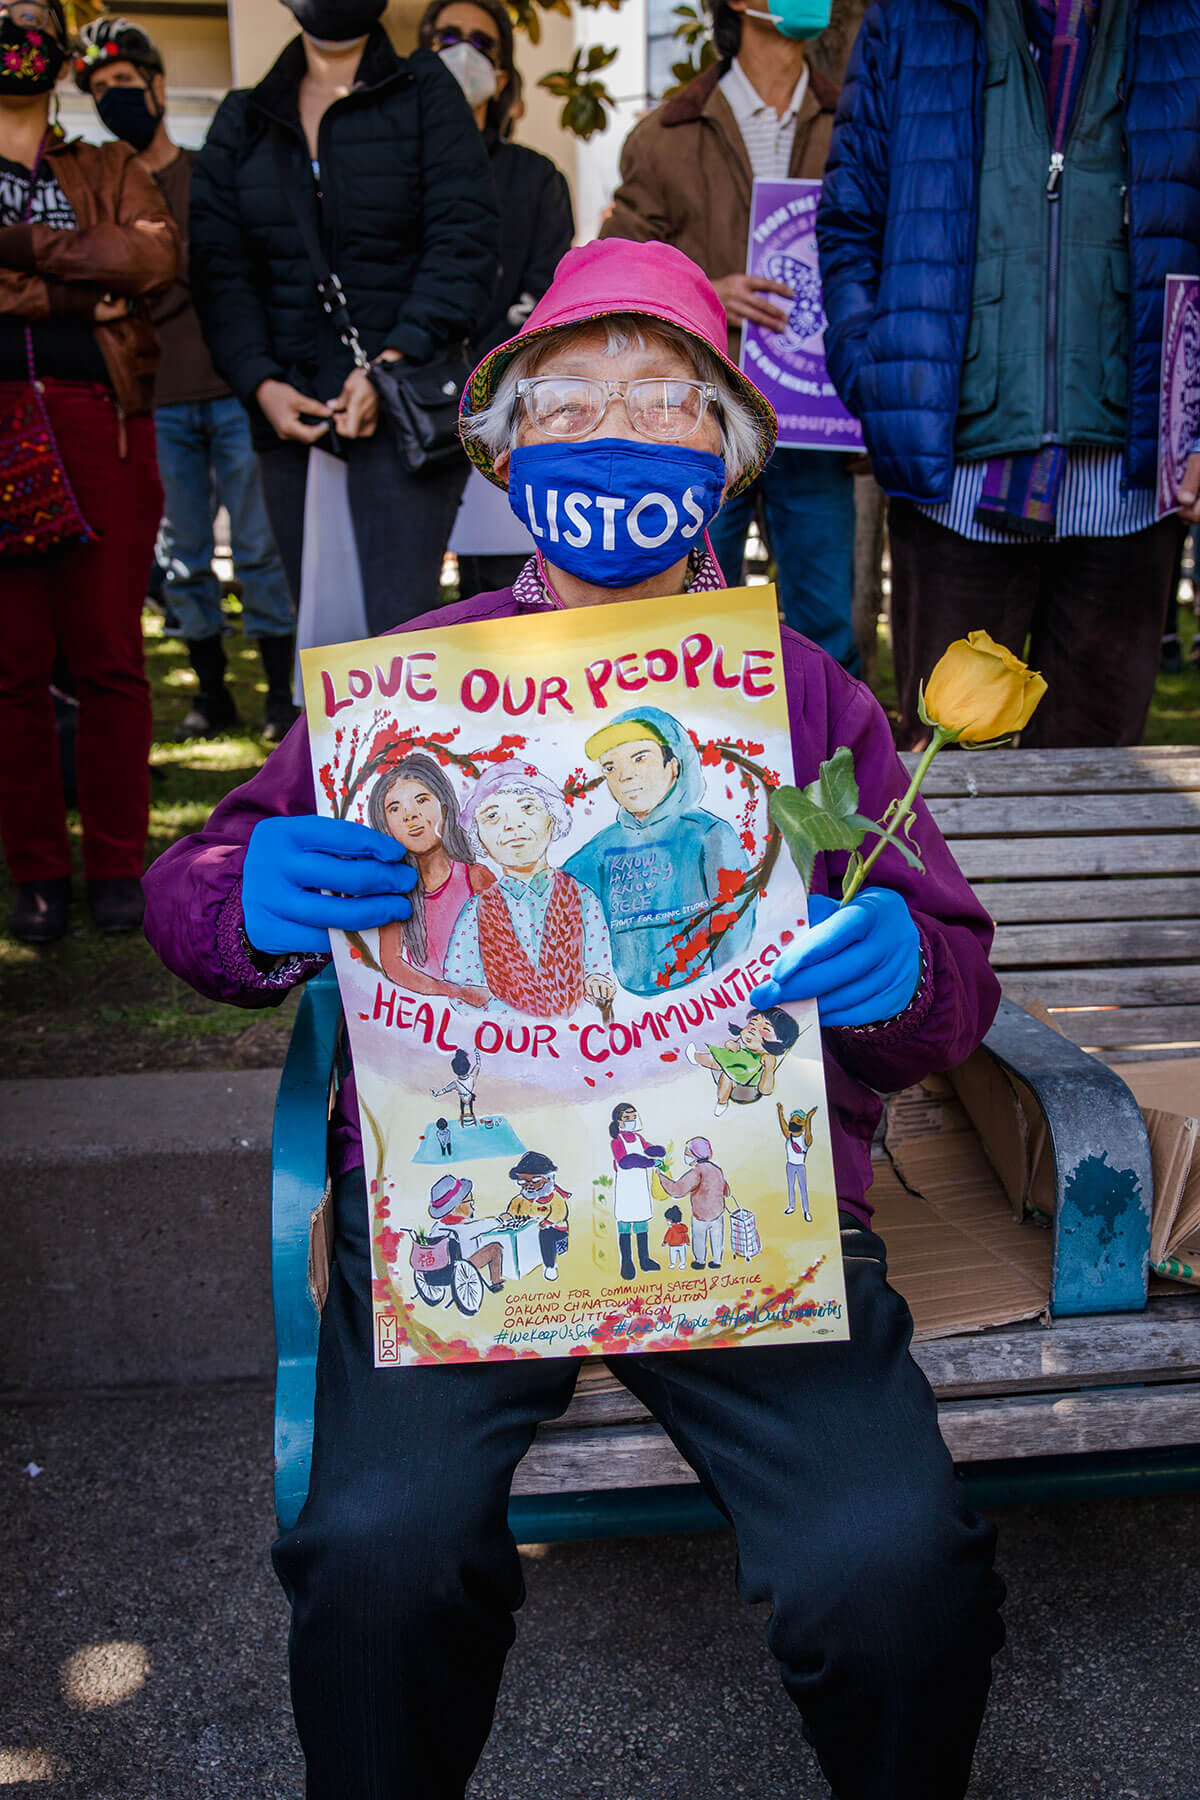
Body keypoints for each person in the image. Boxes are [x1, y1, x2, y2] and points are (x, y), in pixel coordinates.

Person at [144, 239, 1006, 1800]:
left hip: (751, 1211)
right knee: (377, 1557)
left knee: (893, 1569)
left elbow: (945, 981)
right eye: (574, 397)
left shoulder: (807, 695)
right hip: (457, 1220)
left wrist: (904, 974)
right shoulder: (402, 690)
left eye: (665, 400)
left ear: (730, 461)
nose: (617, 426)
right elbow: (195, 889)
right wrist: (244, 898)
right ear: (508, 451)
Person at [817, 0, 1200, 749]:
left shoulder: (1181, 19)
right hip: (954, 478)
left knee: (1096, 793)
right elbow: (851, 218)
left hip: (1129, 485)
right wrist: (878, 376)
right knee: (946, 785)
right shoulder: (912, 18)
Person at [188, 0, 499, 637]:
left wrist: (394, 362)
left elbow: (463, 240)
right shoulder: (243, 119)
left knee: (398, 635)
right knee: (322, 642)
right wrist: (261, 384)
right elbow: (220, 273)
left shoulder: (424, 91)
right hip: (289, 414)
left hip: (403, 409)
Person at [601, 0, 859, 670]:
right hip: (698, 423)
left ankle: (828, 769)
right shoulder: (667, 133)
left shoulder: (856, 120)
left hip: (816, 417)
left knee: (828, 625)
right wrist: (706, 294)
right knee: (690, 620)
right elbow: (615, 274)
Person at [0, 0, 178, 942]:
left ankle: (116, 865)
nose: (17, 28)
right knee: (12, 669)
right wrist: (82, 292)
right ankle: (35, 874)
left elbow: (151, 258)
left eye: (33, 15)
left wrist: (21, 253)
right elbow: (110, 273)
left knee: (111, 658)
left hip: (101, 426)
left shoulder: (105, 164)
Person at [73, 18, 299, 745]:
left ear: (159, 86)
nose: (115, 100)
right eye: (100, 91)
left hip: (232, 392)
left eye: (125, 85)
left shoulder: (211, 171)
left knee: (261, 550)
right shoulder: (100, 189)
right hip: (151, 397)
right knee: (184, 554)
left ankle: (276, 696)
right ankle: (210, 695)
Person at [418, 0, 575, 600]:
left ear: (504, 75)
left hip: (499, 412)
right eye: (448, 36)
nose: (463, 51)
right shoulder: (385, 176)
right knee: (398, 602)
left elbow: (544, 299)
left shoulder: (536, 181)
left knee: (503, 600)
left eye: (482, 42)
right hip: (395, 418)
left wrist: (480, 384)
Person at [564, 706, 753, 994]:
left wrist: (728, 1000)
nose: (625, 776)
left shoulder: (708, 834)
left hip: (700, 999)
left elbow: (734, 930)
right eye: (610, 767)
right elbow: (557, 910)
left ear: (674, 765)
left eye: (640, 758)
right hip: (623, 1009)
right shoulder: (598, 850)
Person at [444, 760, 616, 1018]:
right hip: (505, 1036)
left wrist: (597, 980)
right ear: (478, 837)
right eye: (492, 815)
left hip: (576, 1030)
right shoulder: (476, 911)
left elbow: (598, 963)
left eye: (528, 807)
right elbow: (462, 985)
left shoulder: (582, 898)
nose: (512, 826)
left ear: (553, 818)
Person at [368, 753, 494, 1006]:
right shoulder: (395, 893)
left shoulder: (476, 878)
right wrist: (454, 992)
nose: (410, 815)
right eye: (395, 808)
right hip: (428, 1019)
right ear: (385, 825)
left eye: (421, 800)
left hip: (490, 1014)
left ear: (444, 809)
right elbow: (392, 963)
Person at [607, 1100, 667, 1280]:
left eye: (633, 1117)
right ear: (619, 1121)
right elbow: (625, 1161)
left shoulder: (638, 1138)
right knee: (625, 1224)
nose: (632, 1120)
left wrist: (659, 1151)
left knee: (641, 1223)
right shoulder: (617, 1141)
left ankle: (644, 1259)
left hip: (640, 1187)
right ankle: (626, 1262)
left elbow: (648, 1148)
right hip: (626, 1188)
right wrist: (650, 1162)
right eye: (627, 1117)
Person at [658, 1135, 732, 1268]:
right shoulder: (716, 1168)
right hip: (717, 1213)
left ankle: (700, 1261)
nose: (685, 1156)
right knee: (717, 1238)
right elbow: (726, 1189)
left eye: (687, 1153)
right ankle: (716, 1261)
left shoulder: (697, 1172)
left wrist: (661, 1177)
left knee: (699, 1238)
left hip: (701, 1215)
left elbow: (678, 1190)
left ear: (695, 1155)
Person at [428, 1173, 504, 1291]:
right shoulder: (463, 1229)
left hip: (440, 1270)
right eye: (470, 1202)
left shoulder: (437, 1227)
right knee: (495, 1248)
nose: (473, 1207)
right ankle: (496, 1282)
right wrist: (500, 1220)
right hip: (461, 1268)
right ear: (457, 1207)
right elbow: (483, 1225)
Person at [501, 1150, 569, 1282]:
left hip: (553, 1232)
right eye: (522, 1182)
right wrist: (507, 1217)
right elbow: (511, 1213)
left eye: (535, 1180)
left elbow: (560, 1213)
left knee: (546, 1234)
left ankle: (550, 1266)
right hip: (527, 1234)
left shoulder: (554, 1198)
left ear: (548, 1178)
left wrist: (548, 1222)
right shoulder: (519, 1200)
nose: (529, 1185)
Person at [779, 1099, 817, 1218]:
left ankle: (806, 1211)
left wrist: (809, 1119)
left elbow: (808, 1134)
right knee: (791, 1186)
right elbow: (783, 1125)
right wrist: (780, 1113)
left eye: (798, 1121)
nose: (794, 1122)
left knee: (803, 1188)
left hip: (800, 1166)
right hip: (789, 1165)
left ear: (803, 1124)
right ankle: (791, 1206)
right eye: (793, 1120)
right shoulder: (789, 1136)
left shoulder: (805, 1140)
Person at [662, 1203, 689, 1268]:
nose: (667, 1221)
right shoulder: (683, 1227)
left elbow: (667, 1236)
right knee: (682, 1255)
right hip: (682, 1244)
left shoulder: (671, 1229)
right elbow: (685, 1235)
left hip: (673, 1245)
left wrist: (664, 1242)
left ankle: (673, 1264)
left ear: (671, 1220)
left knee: (673, 1255)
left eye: (667, 1220)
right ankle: (683, 1264)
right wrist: (687, 1242)